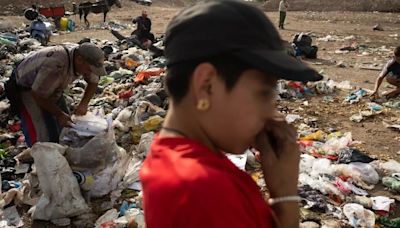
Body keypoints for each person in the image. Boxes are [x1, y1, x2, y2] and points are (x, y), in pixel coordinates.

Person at [140, 1, 322, 228]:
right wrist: (286, 198)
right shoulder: (204, 190)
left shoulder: (171, 163)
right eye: (263, 93)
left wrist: (283, 191)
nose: (271, 114)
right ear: (206, 85)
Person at [5, 42, 106, 147]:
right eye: (89, 69)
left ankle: (61, 151)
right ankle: (40, 158)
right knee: (42, 137)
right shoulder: (57, 64)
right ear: (79, 60)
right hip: (27, 88)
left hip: (52, 85)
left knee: (67, 127)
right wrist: (59, 114)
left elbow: (93, 81)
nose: (89, 72)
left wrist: (83, 104)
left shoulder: (85, 62)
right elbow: (37, 95)